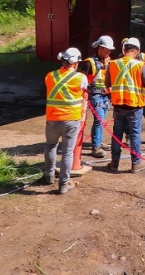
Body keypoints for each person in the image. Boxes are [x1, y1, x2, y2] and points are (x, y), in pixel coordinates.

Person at [43, 47, 88, 194]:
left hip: (52, 118)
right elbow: (85, 93)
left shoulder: (50, 75)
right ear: (75, 63)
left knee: (51, 146)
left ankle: (49, 176)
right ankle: (63, 184)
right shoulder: (80, 78)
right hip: (71, 120)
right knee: (67, 152)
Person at [107, 38, 145, 173]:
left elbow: (108, 84)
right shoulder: (140, 65)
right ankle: (136, 163)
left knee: (117, 134)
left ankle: (114, 163)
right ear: (136, 51)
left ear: (124, 50)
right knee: (134, 134)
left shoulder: (113, 64)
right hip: (134, 106)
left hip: (118, 105)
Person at [80, 35, 114, 158]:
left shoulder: (108, 60)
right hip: (95, 96)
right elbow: (82, 80)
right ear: (101, 47)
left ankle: (99, 141)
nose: (110, 52)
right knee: (98, 121)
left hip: (106, 96)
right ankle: (95, 147)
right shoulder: (89, 63)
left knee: (102, 121)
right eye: (108, 49)